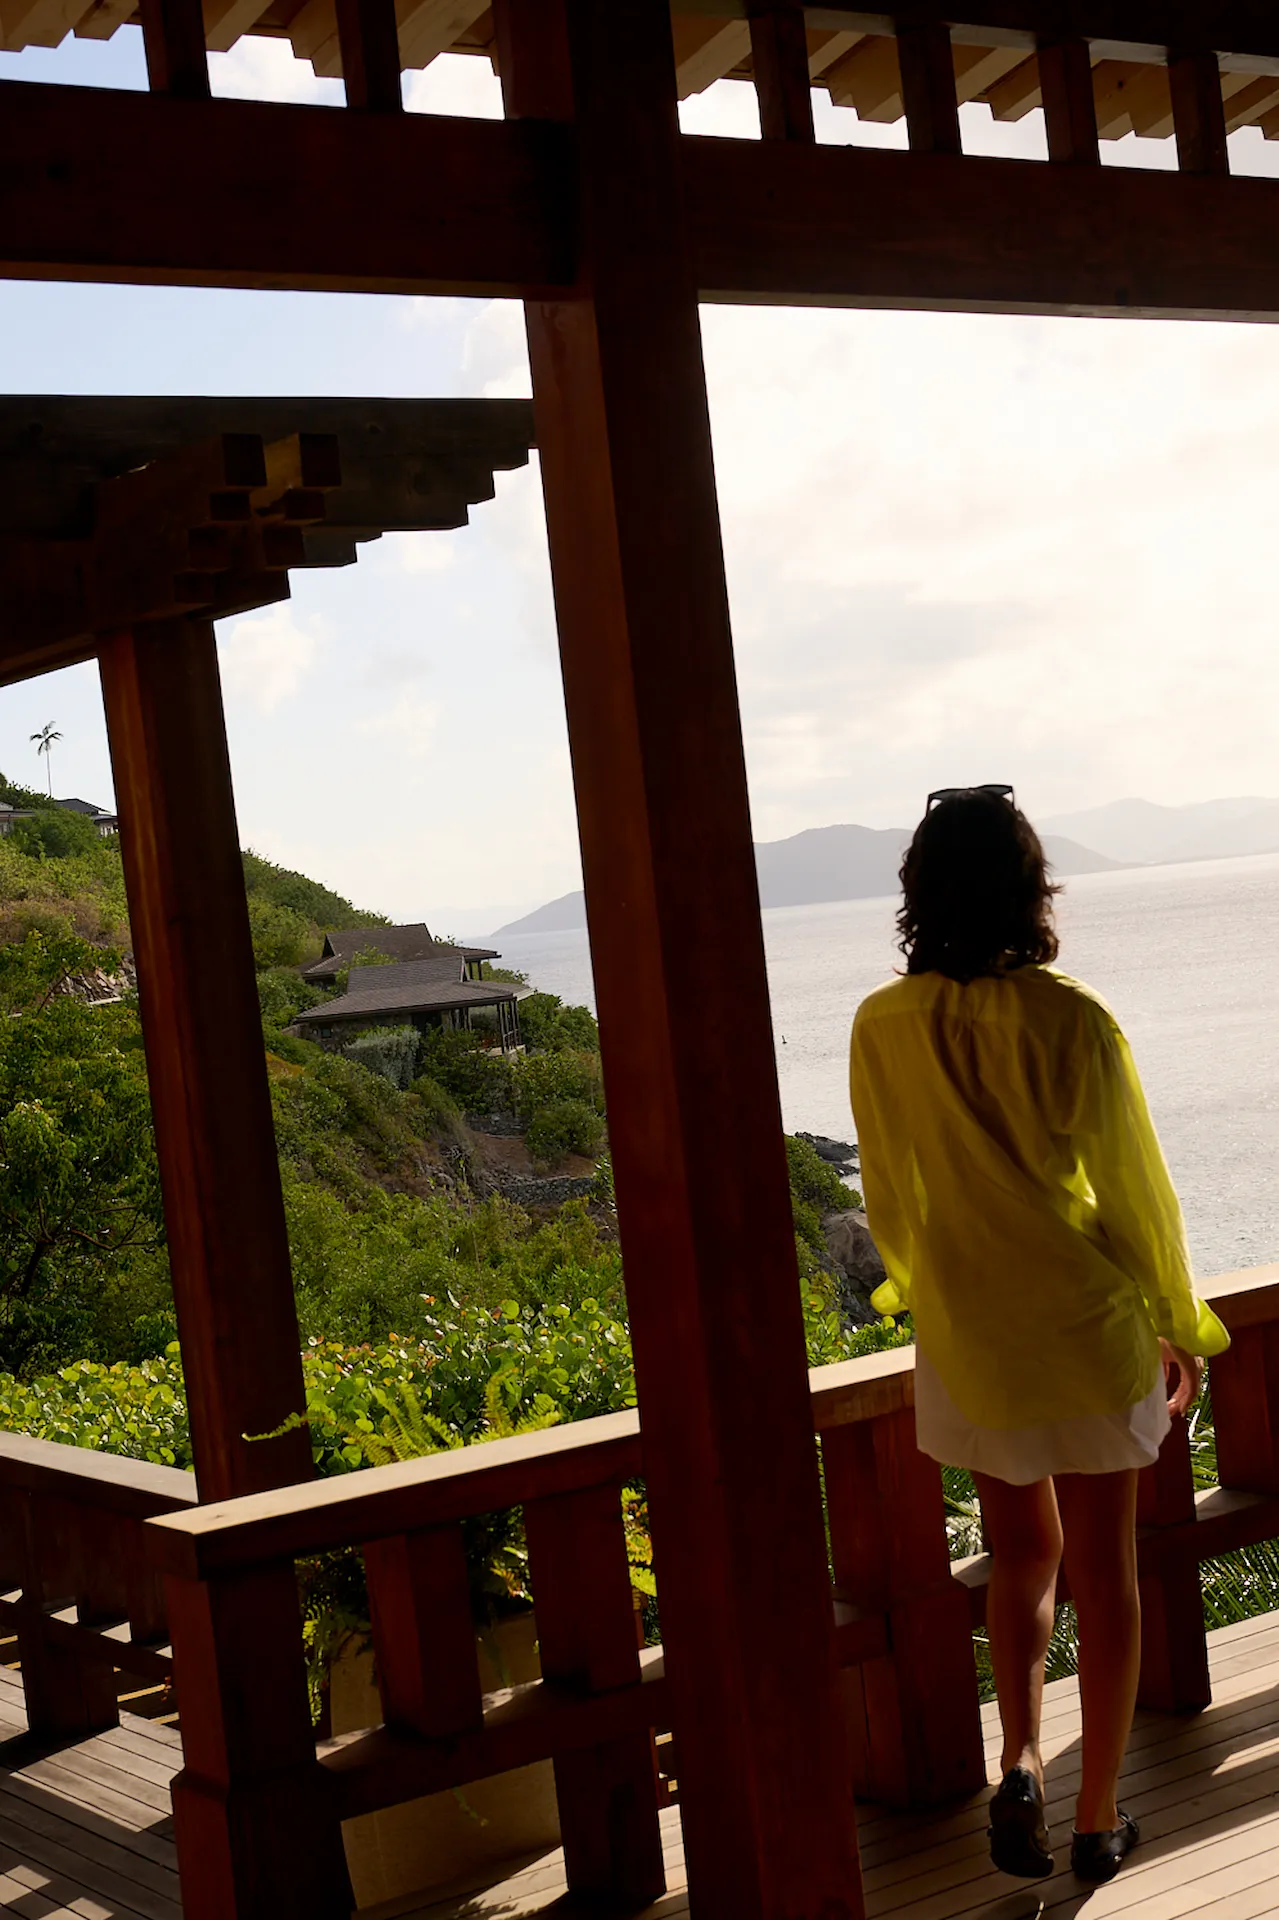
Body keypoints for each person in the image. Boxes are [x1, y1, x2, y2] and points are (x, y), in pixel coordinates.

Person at [849, 786, 1229, 1887]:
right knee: (1107, 1569)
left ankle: (1017, 1756)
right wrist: (1178, 1323)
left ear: (918, 892)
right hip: (1081, 1318)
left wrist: (922, 1289)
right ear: (1031, 887)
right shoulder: (1072, 1017)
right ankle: (1099, 1818)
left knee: (1021, 1554)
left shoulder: (883, 1024)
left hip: (972, 1332)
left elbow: (889, 1192)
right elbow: (1133, 1193)